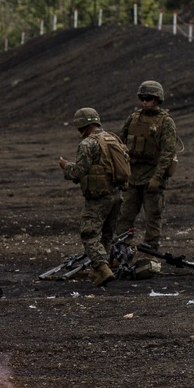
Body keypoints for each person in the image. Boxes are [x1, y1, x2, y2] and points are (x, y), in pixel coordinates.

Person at [58, 107, 125, 287]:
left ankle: (103, 268)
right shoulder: (113, 138)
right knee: (107, 235)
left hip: (98, 197)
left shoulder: (88, 144)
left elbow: (79, 171)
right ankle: (100, 270)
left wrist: (65, 166)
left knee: (89, 234)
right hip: (117, 195)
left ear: (82, 125)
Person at [114, 80, 177, 250]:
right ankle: (121, 246)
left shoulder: (166, 122)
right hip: (133, 176)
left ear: (157, 99)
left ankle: (150, 249)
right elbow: (120, 143)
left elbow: (168, 151)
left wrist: (157, 177)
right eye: (142, 98)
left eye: (148, 98)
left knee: (153, 215)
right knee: (124, 215)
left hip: (152, 176)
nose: (144, 101)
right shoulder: (134, 118)